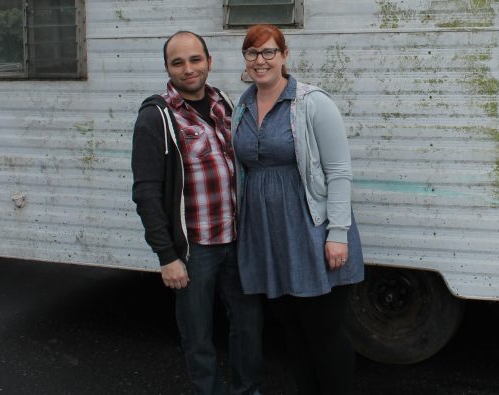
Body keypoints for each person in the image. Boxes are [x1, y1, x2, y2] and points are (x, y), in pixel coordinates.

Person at [232, 24, 364, 395]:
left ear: (284, 55)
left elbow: (339, 171)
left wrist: (337, 234)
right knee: (291, 329)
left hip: (311, 229)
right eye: (252, 53)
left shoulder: (312, 102)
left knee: (323, 329)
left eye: (268, 52)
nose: (261, 61)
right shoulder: (240, 106)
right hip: (268, 233)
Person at [131, 31, 263, 395]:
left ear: (208, 61)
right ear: (167, 68)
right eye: (178, 62)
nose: (188, 69)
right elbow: (146, 192)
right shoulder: (156, 116)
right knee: (198, 336)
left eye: (195, 60)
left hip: (237, 241)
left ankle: (246, 391)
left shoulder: (222, 102)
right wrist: (167, 255)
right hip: (195, 250)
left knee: (248, 326)